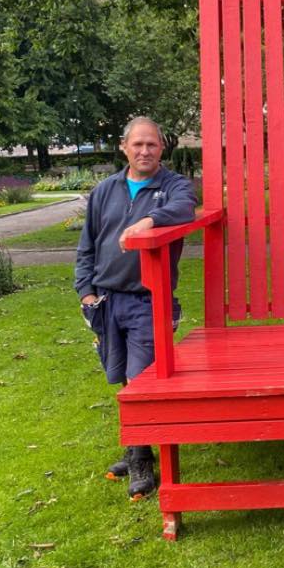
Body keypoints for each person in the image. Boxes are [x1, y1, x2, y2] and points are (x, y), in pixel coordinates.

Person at [75, 117, 197, 498]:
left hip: (149, 300)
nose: (145, 151)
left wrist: (148, 221)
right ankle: (137, 446)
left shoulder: (173, 186)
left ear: (162, 149)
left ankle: (140, 457)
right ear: (124, 147)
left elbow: (185, 209)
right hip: (106, 301)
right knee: (121, 377)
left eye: (153, 145)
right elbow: (87, 246)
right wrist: (86, 293)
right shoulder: (104, 191)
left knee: (140, 379)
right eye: (138, 144)